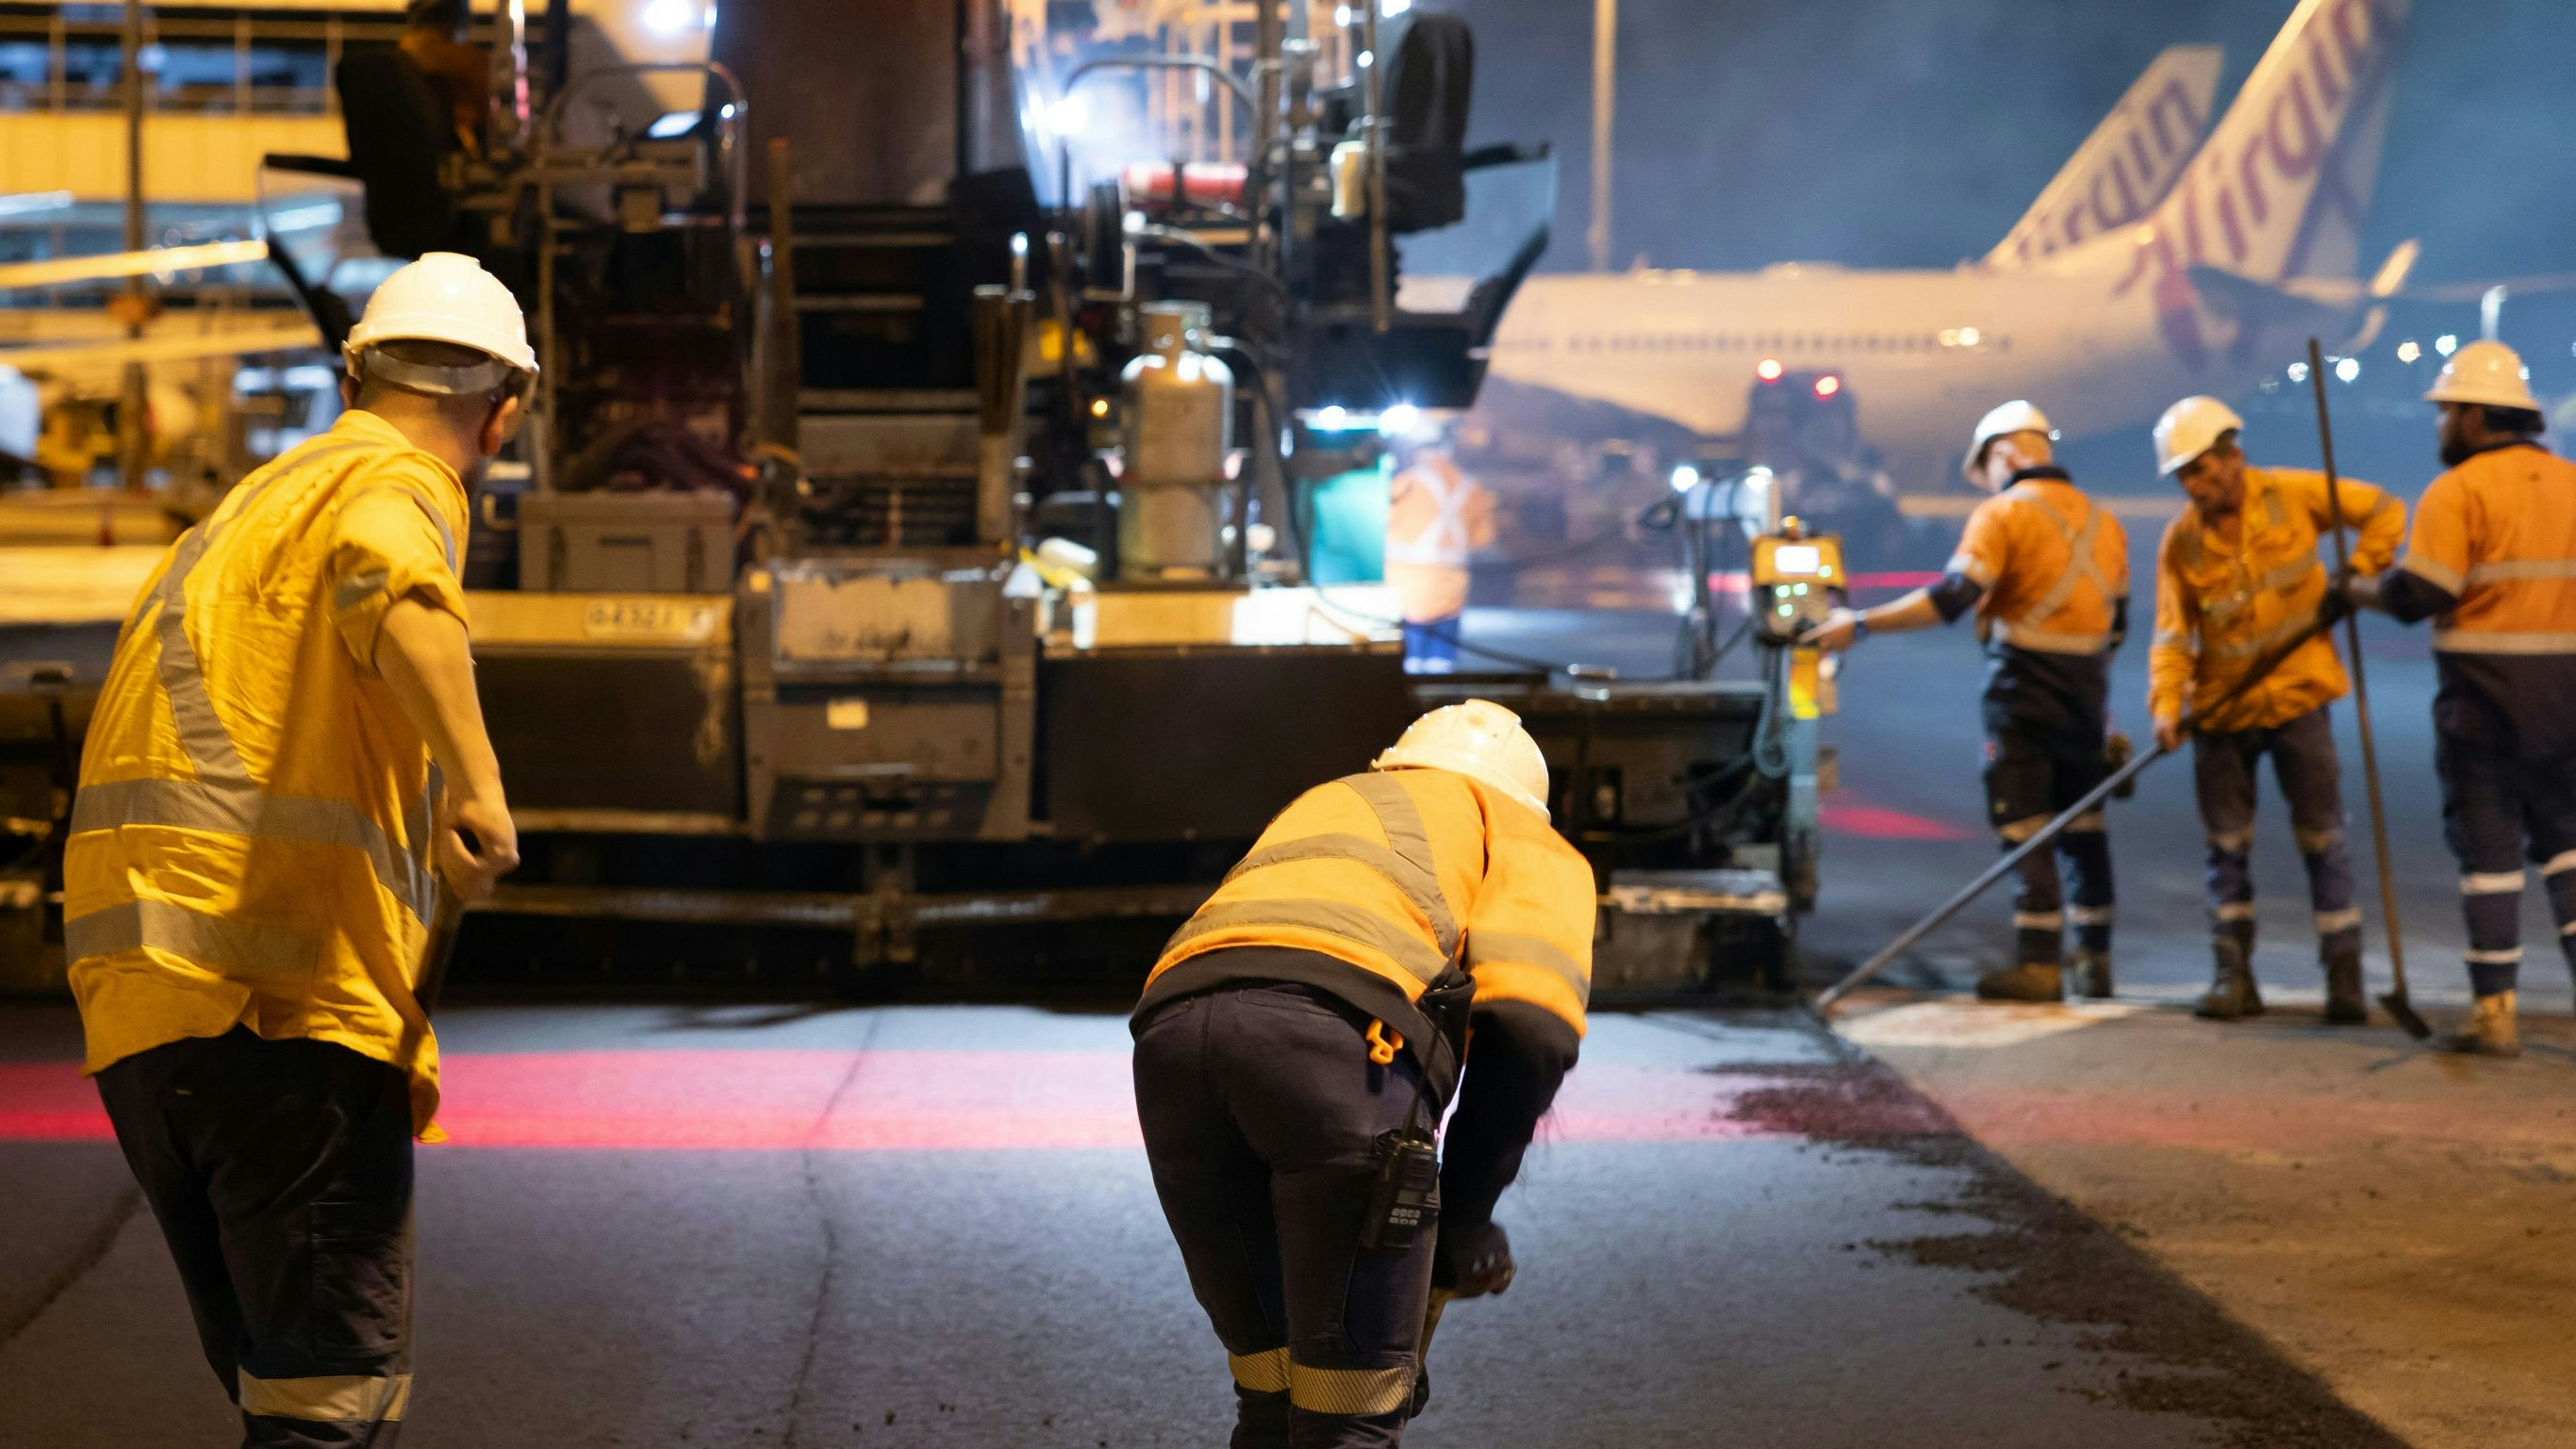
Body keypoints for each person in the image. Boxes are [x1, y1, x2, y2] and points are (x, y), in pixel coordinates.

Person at [62, 252, 530, 1443]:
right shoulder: (398, 481)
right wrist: (477, 786)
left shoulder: (245, 513)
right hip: (279, 1013)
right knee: (330, 1401)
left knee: (280, 1389)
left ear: (348, 373)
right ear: (508, 406)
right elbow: (394, 574)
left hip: (143, 1022)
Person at [1132, 700, 1594, 1447]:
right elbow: (1533, 1028)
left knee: (1274, 1393)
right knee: (1350, 1410)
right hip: (1334, 1052)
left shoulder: (1335, 796)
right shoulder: (1518, 831)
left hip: (1172, 1041)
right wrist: (1465, 1220)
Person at [1804, 401, 2130, 1002]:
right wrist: (2103, 714)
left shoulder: (2002, 513)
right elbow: (2116, 627)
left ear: (2003, 453)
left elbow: (1954, 597)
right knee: (2085, 827)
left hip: (2024, 694)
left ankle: (2039, 965)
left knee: (2024, 823)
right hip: (2087, 697)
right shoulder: (2103, 521)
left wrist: (1863, 624)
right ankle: (2095, 962)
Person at [2349, 340, 2576, 1057]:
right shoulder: (2572, 482)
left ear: (2476, 416)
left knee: (2488, 855)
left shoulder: (2457, 491)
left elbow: (2423, 593)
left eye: (2446, 413)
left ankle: (2494, 1013)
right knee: (2569, 850)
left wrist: (2352, 591)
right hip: (2567, 702)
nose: (2441, 426)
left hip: (2483, 701)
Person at [2147, 397, 2403, 1023]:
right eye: (2184, 476)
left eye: (2202, 469)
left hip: (2298, 698)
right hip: (2223, 714)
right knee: (2226, 849)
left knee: (2323, 841)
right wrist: (2166, 705)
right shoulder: (2180, 541)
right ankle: (2233, 977)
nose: (2196, 486)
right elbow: (2173, 634)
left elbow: (2385, 511)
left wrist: (2357, 575)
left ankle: (2344, 981)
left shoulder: (2292, 495)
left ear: (2235, 454)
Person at [1383, 441, 1495, 673]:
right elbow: (1483, 538)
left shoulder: (1407, 483)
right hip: (1451, 585)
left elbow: (1383, 521)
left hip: (1408, 585)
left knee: (1409, 662)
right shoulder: (1468, 485)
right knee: (1442, 663)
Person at [400, 0, 493, 156]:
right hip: (458, 149)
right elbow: (486, 112)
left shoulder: (402, 53)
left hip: (408, 150)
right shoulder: (469, 59)